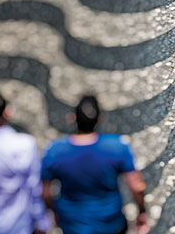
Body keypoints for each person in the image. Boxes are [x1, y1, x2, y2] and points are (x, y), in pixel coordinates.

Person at [41, 95, 149, 234]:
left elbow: (44, 193)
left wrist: (54, 212)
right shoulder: (117, 146)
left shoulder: (55, 150)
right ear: (99, 119)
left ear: (73, 118)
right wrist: (141, 212)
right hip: (111, 223)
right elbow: (137, 187)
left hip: (72, 224)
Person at [0, 93, 51, 234]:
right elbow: (34, 187)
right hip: (19, 226)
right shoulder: (25, 144)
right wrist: (42, 222)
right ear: (6, 113)